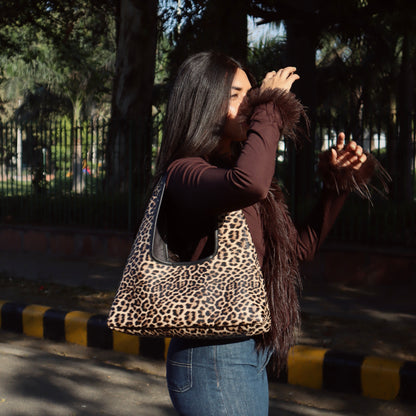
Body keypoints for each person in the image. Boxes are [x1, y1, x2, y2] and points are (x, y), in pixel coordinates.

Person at [154, 51, 379, 416]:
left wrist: (337, 184)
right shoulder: (185, 172)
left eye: (254, 93)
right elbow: (250, 183)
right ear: (203, 102)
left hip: (251, 350)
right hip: (212, 356)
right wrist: (272, 107)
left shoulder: (236, 175)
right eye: (237, 95)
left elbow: (299, 249)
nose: (252, 103)